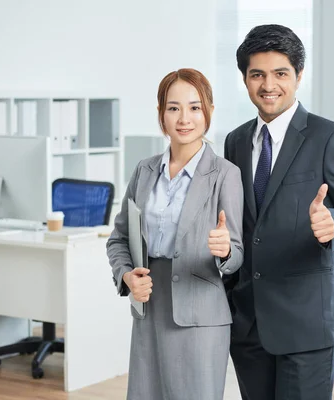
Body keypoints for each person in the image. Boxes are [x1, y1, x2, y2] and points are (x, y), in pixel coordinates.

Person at [223, 24, 334, 400]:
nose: (268, 85)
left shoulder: (329, 137)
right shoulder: (237, 140)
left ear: (298, 76)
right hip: (248, 323)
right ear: (245, 78)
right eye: (256, 74)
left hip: (306, 323)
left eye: (280, 73)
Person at [107, 68, 244, 400]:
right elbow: (119, 238)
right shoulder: (144, 170)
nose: (184, 118)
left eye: (195, 107)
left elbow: (237, 253)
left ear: (208, 111)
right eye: (173, 108)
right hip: (149, 306)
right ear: (161, 115)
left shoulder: (225, 174)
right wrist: (126, 276)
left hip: (200, 315)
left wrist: (225, 250)